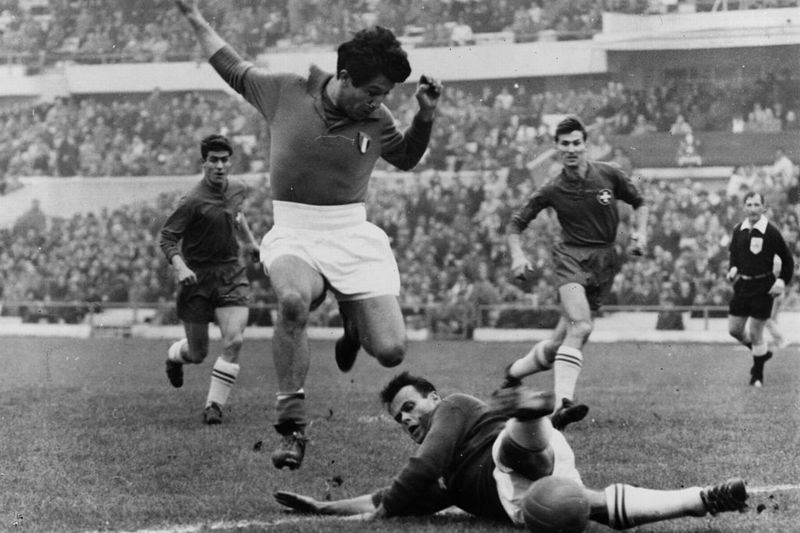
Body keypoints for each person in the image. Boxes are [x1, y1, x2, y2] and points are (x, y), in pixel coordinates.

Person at [174, 0, 442, 469]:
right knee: (294, 302)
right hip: (295, 229)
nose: (379, 102)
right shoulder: (286, 91)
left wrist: (424, 117)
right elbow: (231, 66)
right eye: (373, 92)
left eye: (385, 94)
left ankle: (353, 324)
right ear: (344, 76)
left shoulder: (378, 119)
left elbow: (405, 157)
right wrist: (196, 19)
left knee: (391, 351)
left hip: (351, 232)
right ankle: (292, 428)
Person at [274, 371, 748, 529]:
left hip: (508, 454)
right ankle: (703, 498)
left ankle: (531, 415)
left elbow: (422, 467)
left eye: (411, 407)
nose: (407, 419)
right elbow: (389, 497)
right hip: (527, 498)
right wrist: (323, 507)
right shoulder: (443, 481)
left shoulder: (454, 408)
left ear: (433, 398)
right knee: (590, 505)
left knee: (509, 451)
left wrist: (384, 512)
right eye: (400, 418)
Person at [505, 115, 648, 430]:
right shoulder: (552, 188)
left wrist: (640, 234)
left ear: (585, 145)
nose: (571, 149)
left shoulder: (609, 174)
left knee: (560, 343)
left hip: (604, 261)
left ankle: (513, 374)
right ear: (557, 148)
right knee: (581, 326)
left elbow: (640, 202)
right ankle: (561, 407)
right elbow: (515, 224)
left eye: (576, 143)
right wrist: (517, 256)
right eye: (565, 144)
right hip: (570, 258)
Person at [159, 134, 260, 424]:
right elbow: (167, 238)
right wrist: (180, 267)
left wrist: (250, 243)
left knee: (234, 340)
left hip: (230, 273)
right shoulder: (191, 201)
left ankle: (213, 406)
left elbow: (237, 216)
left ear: (230, 162)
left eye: (224, 160)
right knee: (197, 353)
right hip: (197, 279)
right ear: (203, 163)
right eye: (213, 160)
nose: (219, 166)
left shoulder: (238, 188)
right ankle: (174, 356)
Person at [726, 191, 794, 387]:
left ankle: (757, 375)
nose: (753, 209)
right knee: (734, 330)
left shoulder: (770, 232)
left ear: (764, 208)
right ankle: (762, 354)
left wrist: (781, 281)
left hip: (764, 287)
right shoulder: (738, 229)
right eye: (749, 205)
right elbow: (734, 255)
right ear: (744, 207)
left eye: (757, 205)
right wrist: (733, 268)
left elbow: (788, 260)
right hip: (743, 285)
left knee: (756, 332)